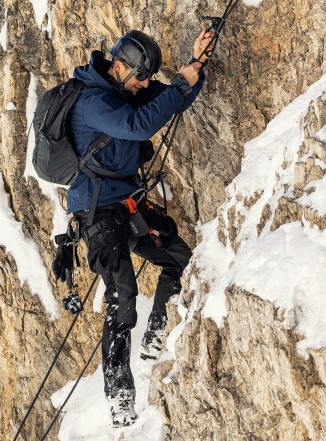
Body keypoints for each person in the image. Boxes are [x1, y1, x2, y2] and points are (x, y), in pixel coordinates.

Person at [66, 29, 215, 427]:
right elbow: (138, 126)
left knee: (181, 260)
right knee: (122, 291)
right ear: (119, 66)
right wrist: (179, 82)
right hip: (97, 211)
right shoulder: (93, 102)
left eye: (147, 79)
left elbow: (171, 102)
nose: (146, 85)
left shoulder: (124, 93)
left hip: (125, 203)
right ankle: (118, 394)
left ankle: (155, 334)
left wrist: (196, 65)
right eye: (142, 78)